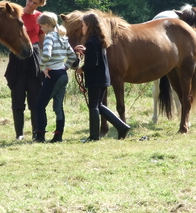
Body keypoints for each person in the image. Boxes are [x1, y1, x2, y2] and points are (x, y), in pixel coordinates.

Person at [74, 12, 130, 141]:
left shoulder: (91, 41)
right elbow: (96, 56)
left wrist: (82, 69)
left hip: (95, 79)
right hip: (103, 78)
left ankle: (94, 136)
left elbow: (93, 63)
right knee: (99, 105)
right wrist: (87, 51)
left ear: (89, 26)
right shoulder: (100, 39)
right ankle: (122, 127)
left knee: (94, 106)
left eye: (83, 25)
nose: (82, 28)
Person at [4, 0, 46, 140]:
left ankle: (36, 133)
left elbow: (42, 41)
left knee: (35, 98)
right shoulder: (16, 15)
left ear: (40, 5)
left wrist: (44, 61)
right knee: (17, 96)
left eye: (35, 3)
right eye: (30, 0)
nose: (31, 4)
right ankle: (19, 134)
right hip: (17, 58)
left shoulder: (41, 18)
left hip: (34, 58)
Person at [33, 12, 79, 143]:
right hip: (62, 74)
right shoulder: (63, 37)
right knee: (58, 107)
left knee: (39, 106)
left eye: (41, 26)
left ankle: (40, 135)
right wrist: (65, 67)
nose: (40, 28)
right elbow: (72, 56)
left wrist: (42, 67)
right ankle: (58, 135)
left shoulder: (49, 37)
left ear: (47, 25)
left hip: (53, 75)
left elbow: (46, 54)